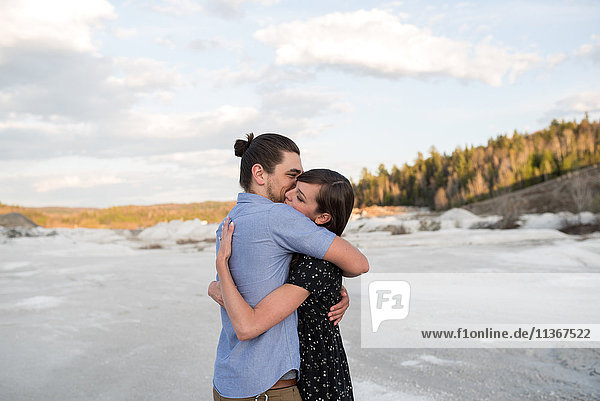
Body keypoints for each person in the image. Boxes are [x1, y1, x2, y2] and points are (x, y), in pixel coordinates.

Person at [210, 133, 369, 401]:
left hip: (228, 380)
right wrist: (332, 277)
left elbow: (234, 287)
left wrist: (326, 290)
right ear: (259, 174)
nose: (293, 187)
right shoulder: (280, 216)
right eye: (291, 176)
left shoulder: (230, 220)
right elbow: (358, 263)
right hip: (269, 385)